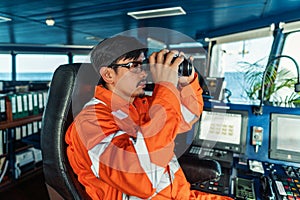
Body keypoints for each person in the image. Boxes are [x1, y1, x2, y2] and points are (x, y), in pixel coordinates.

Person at [65, 35, 233, 200]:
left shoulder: (138, 107)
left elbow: (187, 115)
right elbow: (141, 177)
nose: (144, 73)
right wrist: (165, 85)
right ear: (108, 75)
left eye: (143, 65)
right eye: (134, 66)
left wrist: (185, 83)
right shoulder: (89, 123)